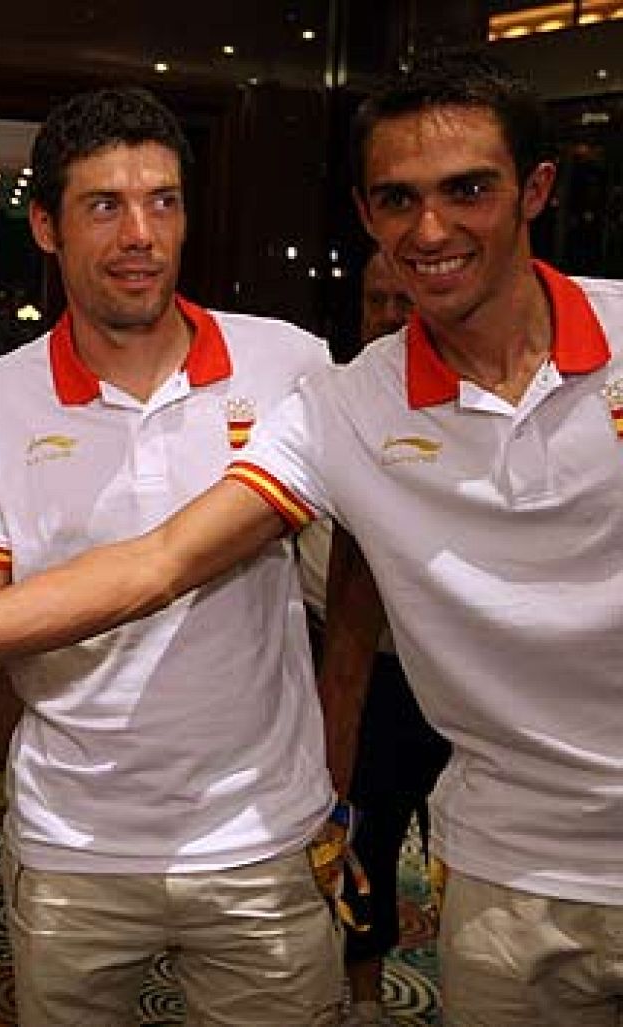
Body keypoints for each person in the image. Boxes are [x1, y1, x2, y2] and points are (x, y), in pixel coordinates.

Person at [0, 50, 623, 1023]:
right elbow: (160, 562)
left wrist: (332, 775)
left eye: (467, 188)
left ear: (535, 190)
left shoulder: (294, 369)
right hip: (494, 864)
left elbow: (346, 601)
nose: (430, 228)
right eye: (400, 198)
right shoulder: (347, 404)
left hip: (267, 830)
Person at [0, 87, 339, 1025]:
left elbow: (354, 579)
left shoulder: (289, 366)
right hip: (74, 844)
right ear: (46, 226)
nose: (141, 235)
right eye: (105, 206)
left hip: (258, 834)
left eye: (163, 202)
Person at [299, 252, 452, 1027]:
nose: (390, 316)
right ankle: (364, 1000)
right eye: (375, 300)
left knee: (460, 847)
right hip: (361, 672)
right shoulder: (328, 409)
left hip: (454, 678)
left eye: (405, 300)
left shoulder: (467, 414)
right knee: (368, 840)